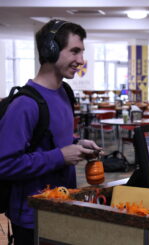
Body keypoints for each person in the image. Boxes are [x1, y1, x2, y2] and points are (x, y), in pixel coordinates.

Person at [0, 19, 102, 245]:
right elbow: (4, 164)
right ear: (50, 50)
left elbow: (49, 138)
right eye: (74, 51)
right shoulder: (24, 104)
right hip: (33, 217)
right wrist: (60, 156)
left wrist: (78, 143)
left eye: (82, 52)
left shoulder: (64, 93)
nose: (81, 60)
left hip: (64, 206)